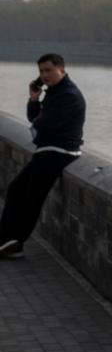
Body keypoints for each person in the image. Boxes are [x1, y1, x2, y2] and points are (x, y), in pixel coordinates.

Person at [0, 54, 86, 259]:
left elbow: (42, 125)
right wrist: (33, 99)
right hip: (48, 151)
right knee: (15, 190)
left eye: (48, 70)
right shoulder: (55, 92)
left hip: (60, 152)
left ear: (62, 70)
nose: (44, 75)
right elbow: (35, 119)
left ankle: (15, 242)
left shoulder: (68, 95)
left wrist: (38, 124)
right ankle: (5, 239)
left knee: (32, 198)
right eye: (41, 71)